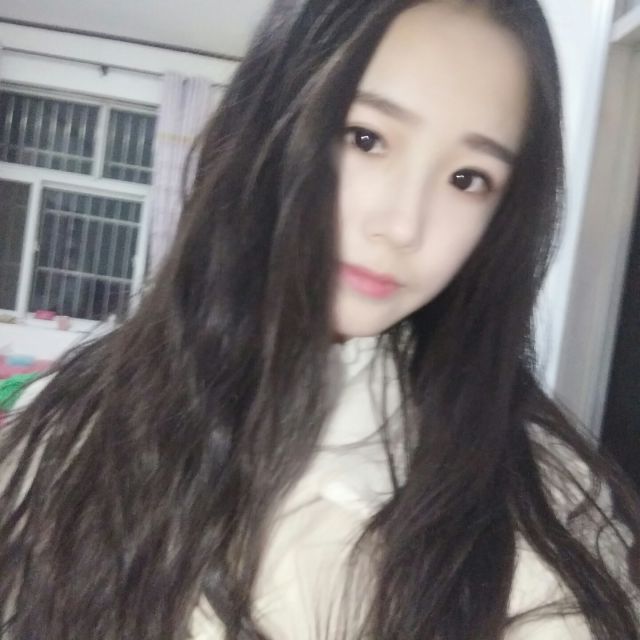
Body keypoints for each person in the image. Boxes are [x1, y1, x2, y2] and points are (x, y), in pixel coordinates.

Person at [0, 0, 639, 638]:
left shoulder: (540, 503)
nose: (403, 225)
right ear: (269, 123)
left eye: (468, 178)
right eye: (366, 139)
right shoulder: (70, 427)